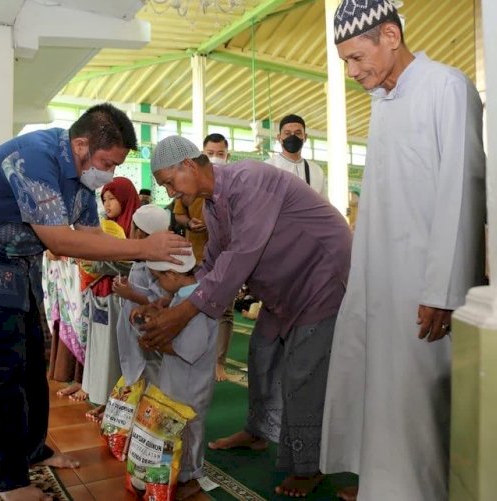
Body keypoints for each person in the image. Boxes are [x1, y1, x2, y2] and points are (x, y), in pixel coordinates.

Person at [0, 103, 189, 501]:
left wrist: (146, 255)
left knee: (33, 360)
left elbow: (91, 238)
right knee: (6, 369)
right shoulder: (34, 157)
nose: (110, 173)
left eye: (117, 165)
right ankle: (11, 478)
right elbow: (59, 240)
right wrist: (141, 250)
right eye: (107, 162)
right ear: (81, 144)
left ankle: (34, 448)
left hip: (18, 265)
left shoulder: (82, 179)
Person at [319, 2, 487, 501]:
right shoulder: (384, 100)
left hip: (424, 286)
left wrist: (444, 290)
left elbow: (462, 191)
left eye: (355, 58)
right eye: (345, 63)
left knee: (416, 403)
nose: (351, 73)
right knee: (382, 392)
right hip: (381, 279)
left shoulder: (447, 87)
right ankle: (381, 485)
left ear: (390, 35)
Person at [138, 135, 353, 497]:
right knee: (262, 352)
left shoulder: (250, 180)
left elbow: (241, 256)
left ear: (189, 165)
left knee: (303, 369)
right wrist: (173, 300)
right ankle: (257, 433)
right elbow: (213, 265)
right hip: (283, 290)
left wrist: (184, 313)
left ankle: (308, 466)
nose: (172, 193)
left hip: (322, 277)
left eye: (170, 183)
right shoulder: (212, 207)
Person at [137, 252, 219, 500]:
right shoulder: (183, 298)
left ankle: (191, 476)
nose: (157, 284)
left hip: (192, 381)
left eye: (158, 278)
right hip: (177, 377)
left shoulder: (198, 303)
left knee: (190, 429)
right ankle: (174, 471)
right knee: (174, 426)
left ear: (172, 275)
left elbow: (191, 349)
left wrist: (155, 344)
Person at [173, 133, 235, 382]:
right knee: (195, 305)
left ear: (227, 155)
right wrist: (190, 222)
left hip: (226, 257)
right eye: (211, 153)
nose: (216, 157)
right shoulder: (189, 183)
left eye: (220, 153)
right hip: (194, 255)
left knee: (225, 312)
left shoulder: (232, 184)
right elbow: (178, 215)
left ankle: (219, 361)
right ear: (201, 155)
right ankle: (193, 357)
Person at [81, 177, 139, 421]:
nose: (108, 204)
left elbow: (134, 264)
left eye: (112, 198)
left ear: (125, 199)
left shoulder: (135, 227)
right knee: (100, 349)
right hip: (99, 294)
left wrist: (105, 261)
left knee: (115, 353)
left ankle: (118, 405)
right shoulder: (105, 227)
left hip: (119, 298)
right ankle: (104, 400)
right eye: (104, 199)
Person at [113, 203, 171, 387]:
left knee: (149, 375)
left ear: (139, 233)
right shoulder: (142, 260)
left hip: (145, 332)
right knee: (135, 373)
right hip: (133, 330)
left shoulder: (155, 265)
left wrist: (129, 293)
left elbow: (159, 301)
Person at [267, 114, 328, 200]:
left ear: (305, 137)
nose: (292, 137)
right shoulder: (268, 167)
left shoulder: (316, 170)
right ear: (279, 138)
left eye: (297, 133)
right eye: (287, 133)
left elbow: (324, 205)